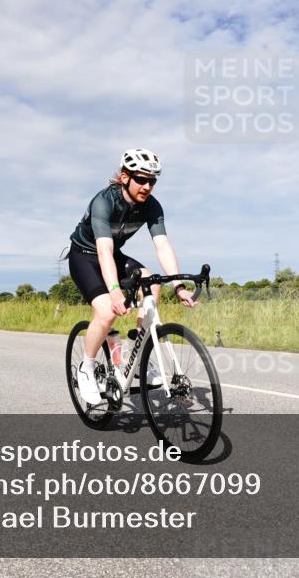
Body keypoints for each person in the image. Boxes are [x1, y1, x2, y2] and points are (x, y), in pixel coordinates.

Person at [68, 148, 197, 405]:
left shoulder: (151, 206)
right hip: (85, 256)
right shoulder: (104, 202)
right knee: (106, 312)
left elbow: (162, 245)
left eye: (153, 181)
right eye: (142, 179)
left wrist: (179, 286)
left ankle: (136, 357)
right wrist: (115, 291)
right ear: (125, 177)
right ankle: (87, 367)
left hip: (113, 254)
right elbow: (103, 250)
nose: (148, 186)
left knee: (153, 285)